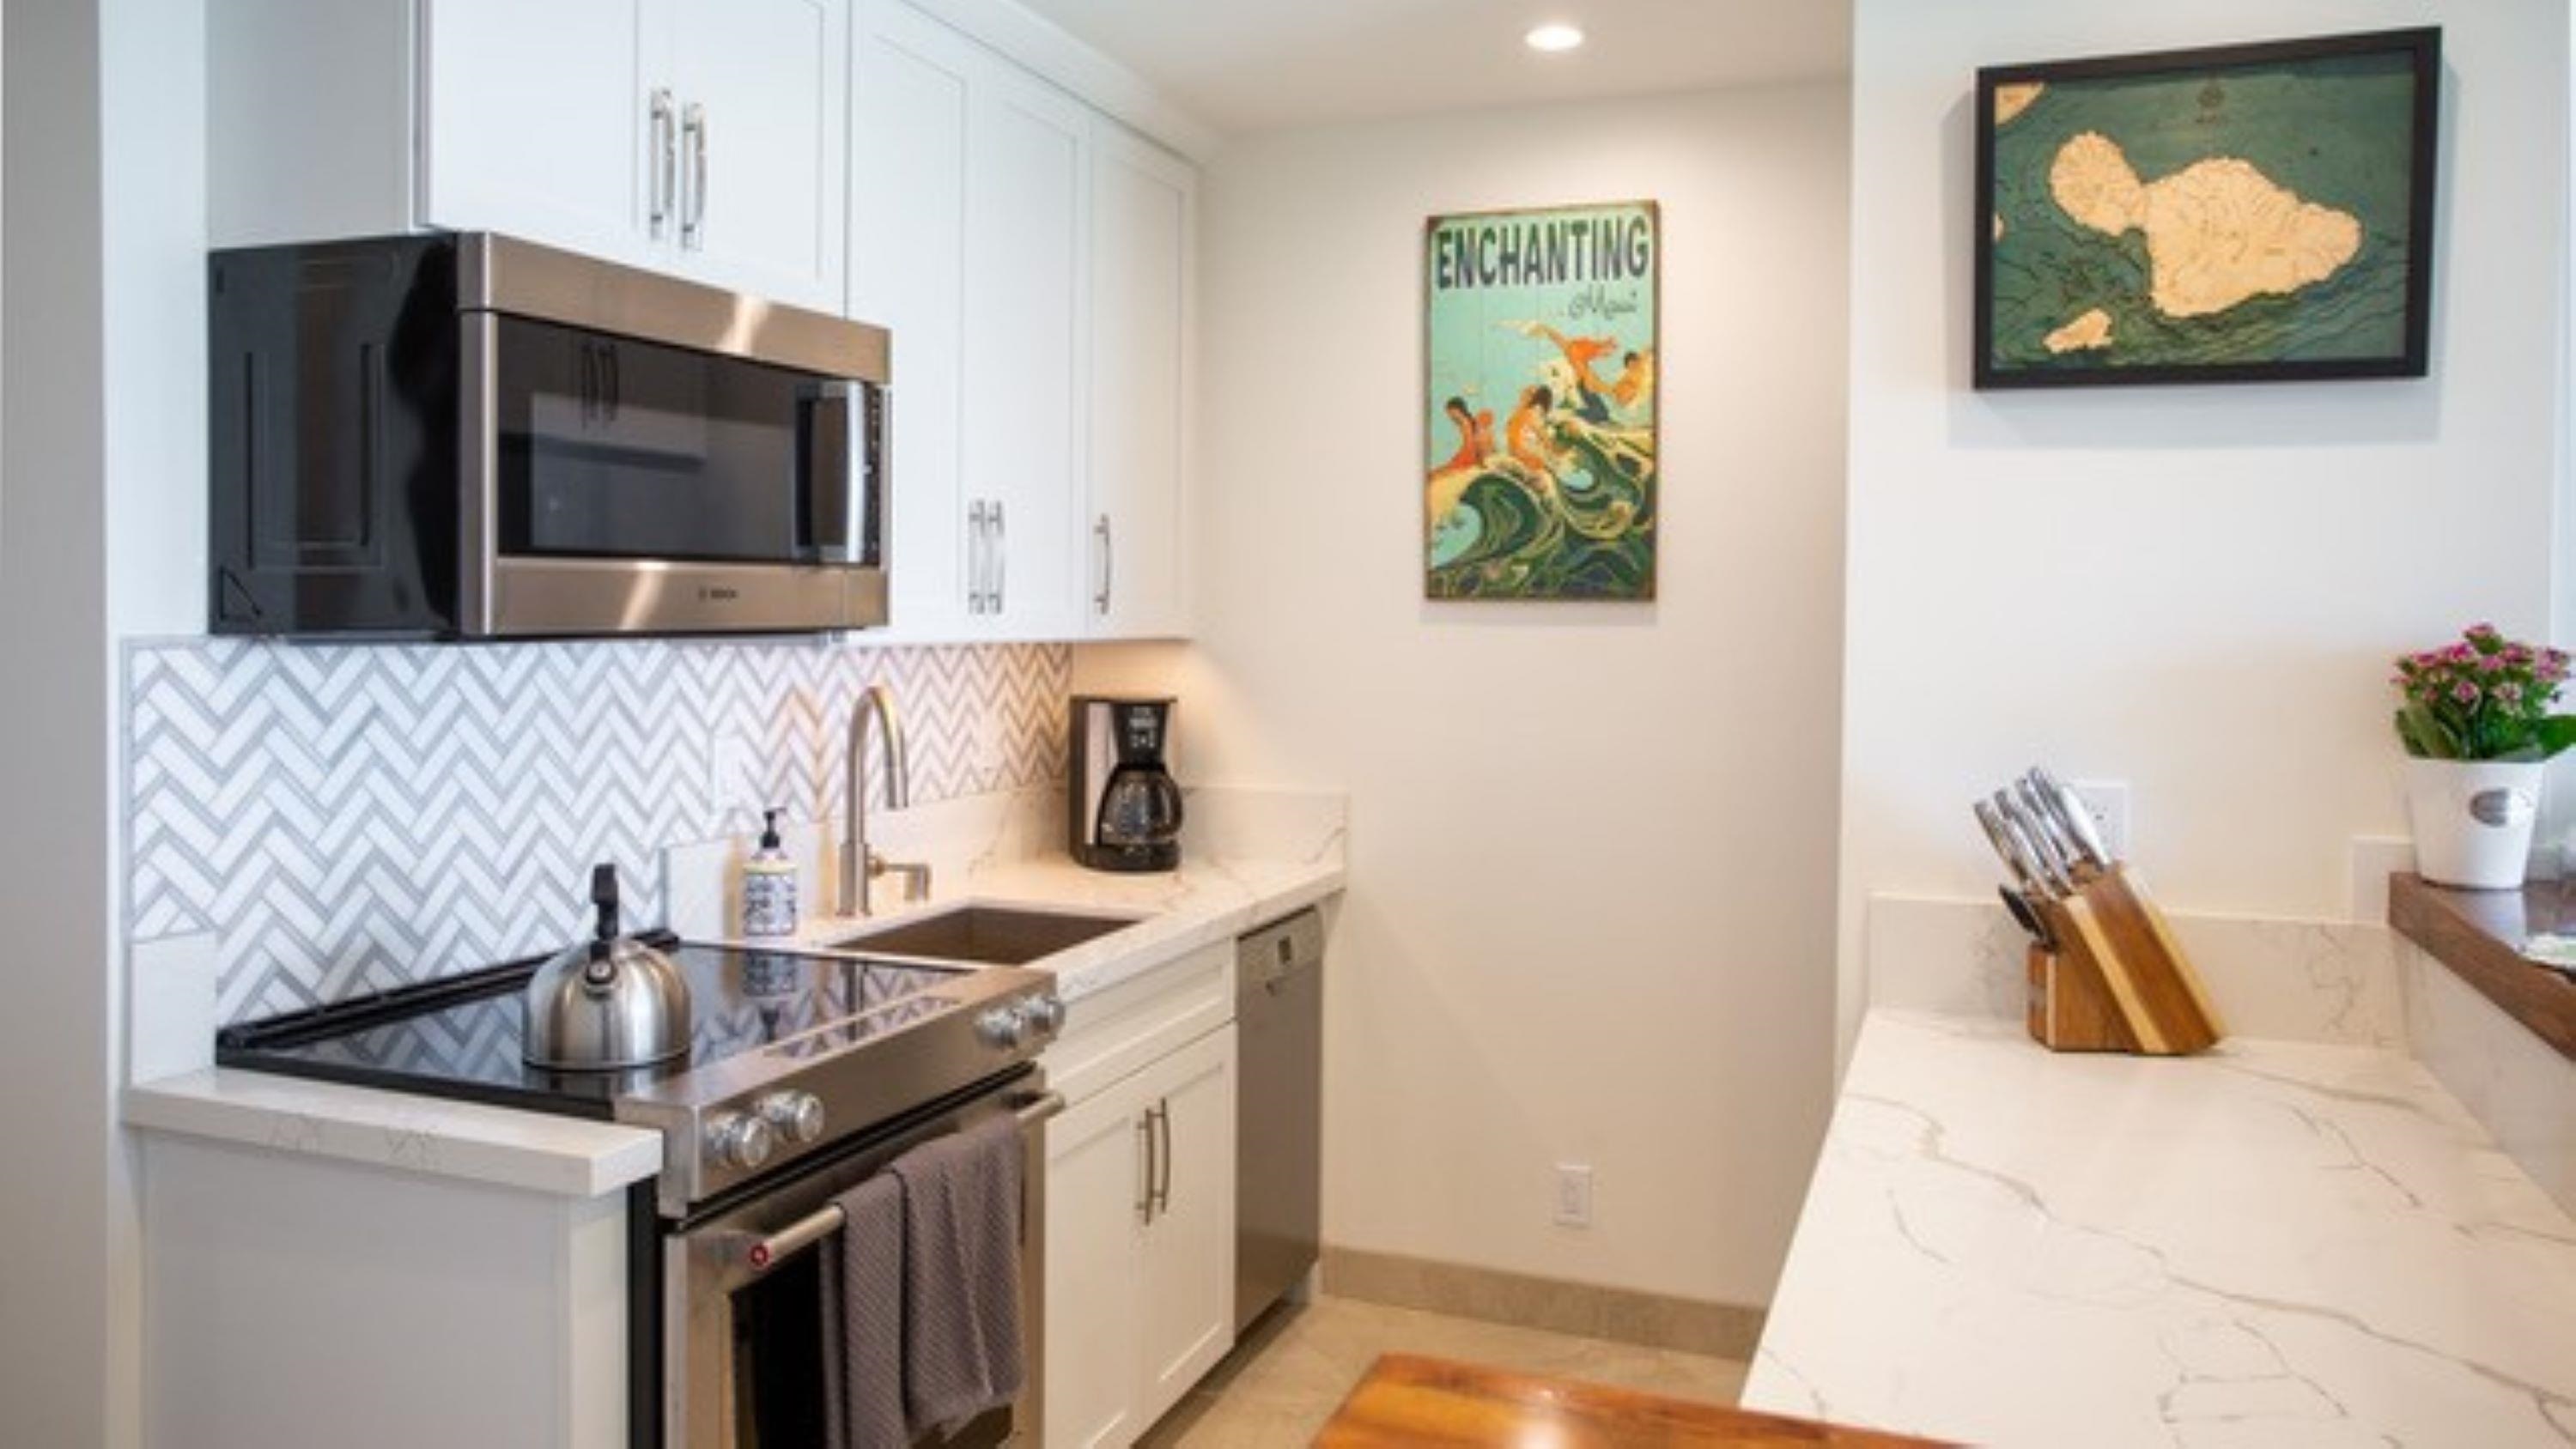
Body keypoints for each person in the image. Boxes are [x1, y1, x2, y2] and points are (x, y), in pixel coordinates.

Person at [1518, 322, 1619, 423]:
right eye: (1606, 352)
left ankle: (1571, 414)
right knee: (1602, 413)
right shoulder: (1579, 358)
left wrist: (1545, 328)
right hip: (1584, 389)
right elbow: (1594, 384)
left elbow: (1557, 338)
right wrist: (1611, 392)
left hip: (1584, 388)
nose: (1607, 355)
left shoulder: (1575, 353)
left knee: (1602, 413)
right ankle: (1570, 414)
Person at [1436, 395, 1494, 473]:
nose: (1450, 416)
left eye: (1451, 413)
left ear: (1457, 410)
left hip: (1477, 459)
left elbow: (1470, 448)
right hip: (1477, 457)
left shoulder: (1466, 423)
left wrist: (1455, 462)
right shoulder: (1467, 423)